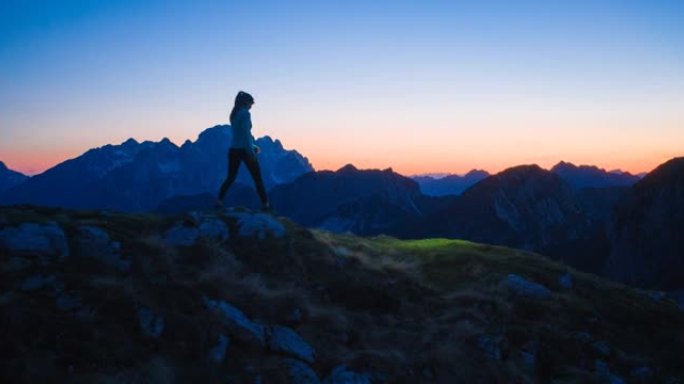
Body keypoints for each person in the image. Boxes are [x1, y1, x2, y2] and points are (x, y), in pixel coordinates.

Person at [216, 91, 271, 211]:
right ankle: (266, 205)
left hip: (233, 150)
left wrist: (252, 145)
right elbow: (246, 134)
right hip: (245, 151)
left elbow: (239, 134)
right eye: (251, 103)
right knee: (257, 178)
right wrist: (251, 151)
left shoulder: (234, 114)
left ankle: (219, 202)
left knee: (230, 178)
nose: (251, 106)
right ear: (246, 102)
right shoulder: (245, 114)